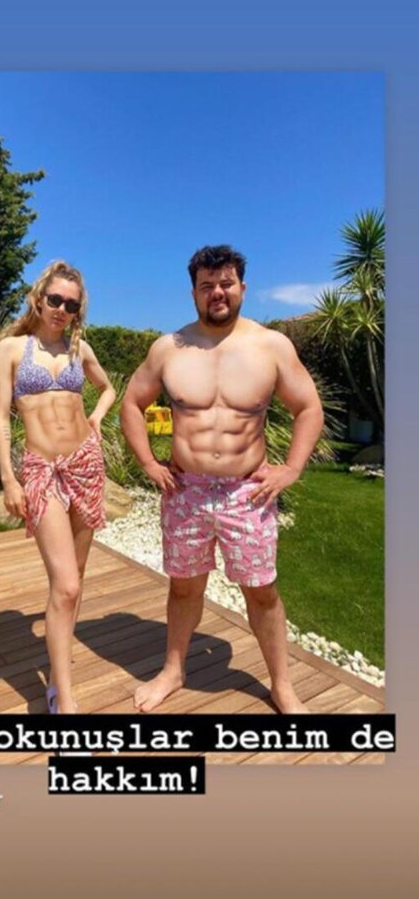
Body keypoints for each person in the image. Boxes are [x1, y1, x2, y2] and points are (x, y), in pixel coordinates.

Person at [120, 245, 324, 715]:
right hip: (185, 491)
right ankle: (174, 670)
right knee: (184, 585)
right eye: (207, 285)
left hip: (246, 493)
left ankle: (282, 685)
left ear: (242, 288)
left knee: (262, 590)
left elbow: (308, 407)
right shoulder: (168, 348)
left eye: (226, 283)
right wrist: (149, 463)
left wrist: (292, 468)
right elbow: (132, 403)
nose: (217, 292)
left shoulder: (271, 346)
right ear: (193, 292)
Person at [0, 261, 116, 715]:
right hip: (42, 470)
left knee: (74, 582)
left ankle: (58, 666)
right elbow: (0, 417)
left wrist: (97, 417)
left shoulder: (79, 349)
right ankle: (64, 702)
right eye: (56, 299)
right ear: (39, 298)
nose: (62, 309)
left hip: (85, 464)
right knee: (64, 585)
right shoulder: (11, 349)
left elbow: (108, 388)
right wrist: (9, 478)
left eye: (72, 304)